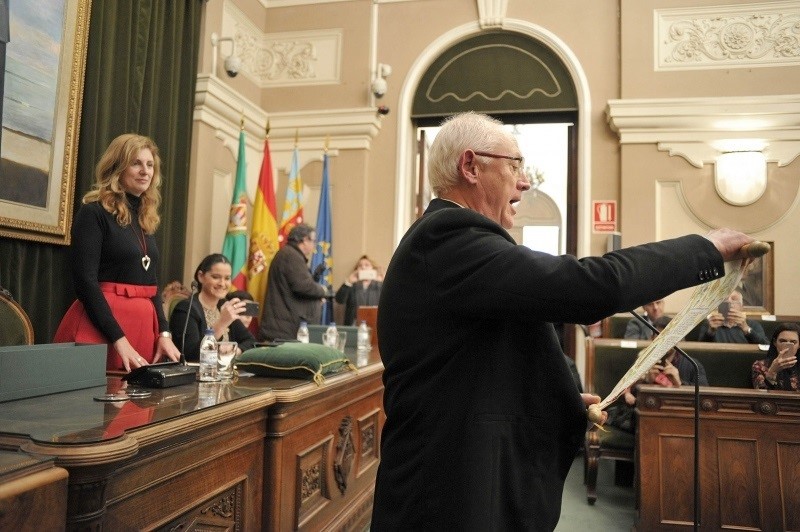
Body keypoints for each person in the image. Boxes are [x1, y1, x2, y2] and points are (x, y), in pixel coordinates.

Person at [370, 111, 756, 531]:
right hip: (446, 493)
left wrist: (557, 401)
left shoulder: (457, 244)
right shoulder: (447, 238)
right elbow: (589, 286)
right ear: (470, 166)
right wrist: (705, 249)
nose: (525, 180)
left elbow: (480, 365)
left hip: (462, 479)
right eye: (514, 165)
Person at [54, 134, 180, 372]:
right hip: (102, 328)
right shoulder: (94, 213)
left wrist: (164, 333)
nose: (145, 171)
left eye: (150, 165)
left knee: (137, 406)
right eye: (136, 163)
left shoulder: (145, 219)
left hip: (143, 328)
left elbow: (152, 284)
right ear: (117, 168)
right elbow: (85, 283)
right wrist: (118, 339)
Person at [169, 254, 256, 361]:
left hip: (226, 372)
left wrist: (234, 350)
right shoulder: (185, 309)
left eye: (227, 278)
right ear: (201, 276)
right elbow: (191, 355)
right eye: (216, 277)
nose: (222, 284)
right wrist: (222, 323)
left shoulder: (224, 305)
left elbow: (251, 342)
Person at [259, 223, 327, 341]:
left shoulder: (289, 254)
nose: (314, 245)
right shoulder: (291, 256)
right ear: (305, 240)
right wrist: (322, 290)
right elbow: (303, 286)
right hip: (284, 330)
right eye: (313, 241)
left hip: (285, 327)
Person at [698, 290, 768, 344]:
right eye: (725, 300)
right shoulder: (710, 324)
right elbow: (700, 350)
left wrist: (746, 329)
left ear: (741, 307)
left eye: (734, 299)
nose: (729, 302)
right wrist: (710, 332)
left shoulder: (753, 325)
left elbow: (765, 346)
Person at [334, 255, 383, 325]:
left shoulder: (379, 285)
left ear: (373, 268)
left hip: (375, 323)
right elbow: (339, 300)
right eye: (360, 266)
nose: (363, 267)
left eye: (367, 265)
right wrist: (348, 282)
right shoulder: (351, 285)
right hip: (354, 324)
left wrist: (383, 282)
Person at [752, 322, 800, 391]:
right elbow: (761, 395)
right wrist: (772, 372)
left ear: (799, 345)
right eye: (782, 341)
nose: (787, 346)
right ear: (775, 342)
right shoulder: (760, 366)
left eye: (793, 342)